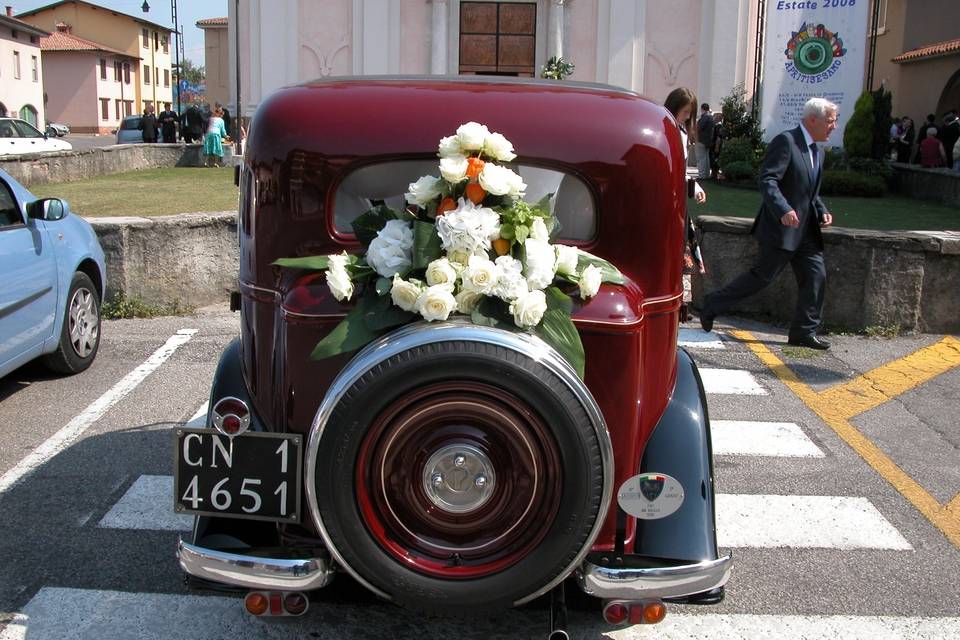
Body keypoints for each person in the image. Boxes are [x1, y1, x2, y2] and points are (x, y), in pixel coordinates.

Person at [699, 97, 838, 350]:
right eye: (830, 121)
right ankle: (712, 304)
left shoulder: (817, 150)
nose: (834, 126)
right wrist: (783, 209)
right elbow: (768, 180)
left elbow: (809, 191)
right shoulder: (787, 142)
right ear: (813, 119)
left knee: (816, 277)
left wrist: (821, 210)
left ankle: (804, 331)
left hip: (806, 232)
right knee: (761, 277)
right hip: (782, 229)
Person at [665, 87, 707, 274]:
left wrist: (695, 187)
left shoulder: (678, 131)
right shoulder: (670, 130)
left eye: (690, 114)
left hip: (675, 199)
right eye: (685, 113)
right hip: (668, 200)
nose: (688, 118)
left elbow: (681, 171)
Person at [695, 103, 715, 180]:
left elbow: (698, 128)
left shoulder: (704, 118)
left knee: (701, 158)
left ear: (702, 109)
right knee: (706, 158)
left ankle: (702, 175)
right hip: (708, 141)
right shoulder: (711, 118)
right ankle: (706, 174)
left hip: (701, 140)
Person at [710, 112, 727, 180]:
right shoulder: (719, 126)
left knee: (714, 159)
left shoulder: (718, 126)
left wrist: (717, 147)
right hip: (715, 144)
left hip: (716, 145)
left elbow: (718, 137)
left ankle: (714, 174)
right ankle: (714, 173)